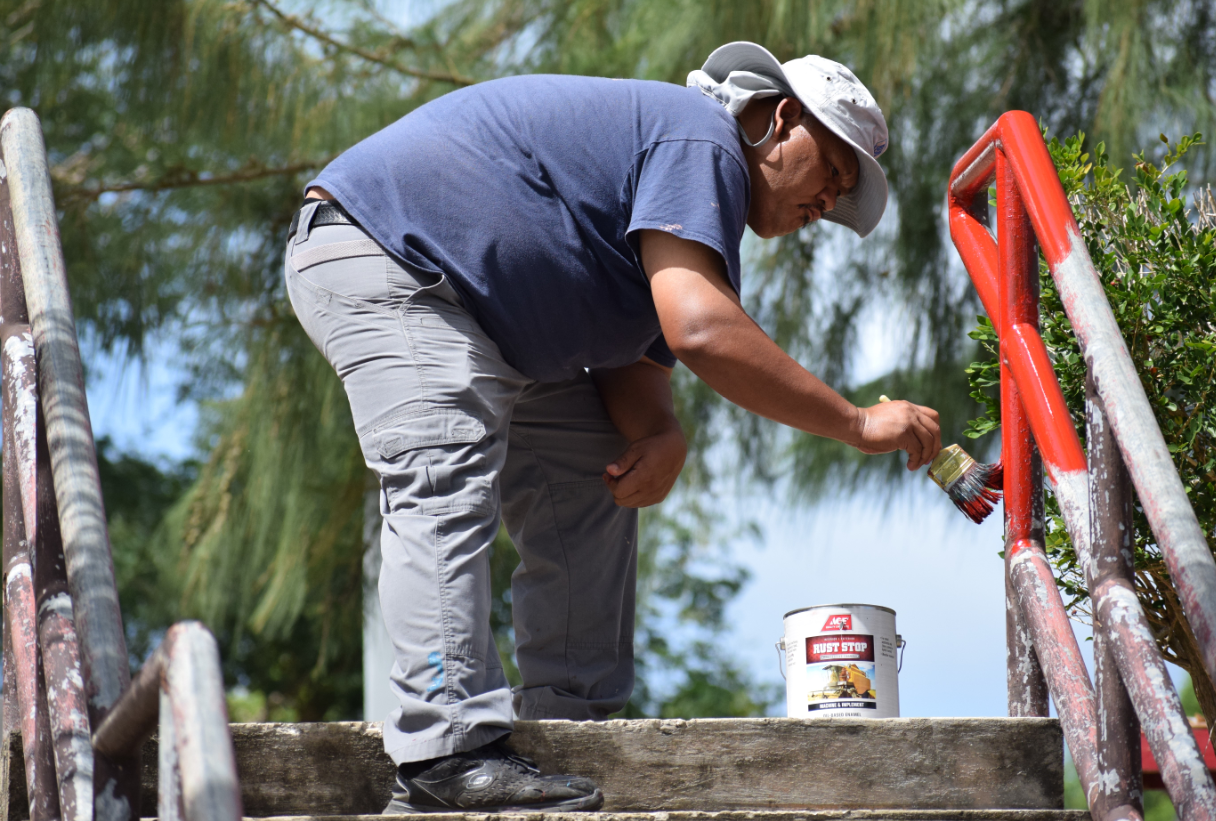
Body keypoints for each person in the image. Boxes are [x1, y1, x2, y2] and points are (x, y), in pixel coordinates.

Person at [283, 41, 941, 814]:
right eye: (833, 174)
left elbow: (645, 358)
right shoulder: (704, 140)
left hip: (488, 322)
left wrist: (662, 434)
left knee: (594, 464)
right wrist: (859, 421)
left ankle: (568, 728)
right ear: (783, 118)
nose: (828, 205)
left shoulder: (694, 211)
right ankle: (446, 753)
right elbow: (700, 329)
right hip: (390, 256)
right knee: (442, 472)